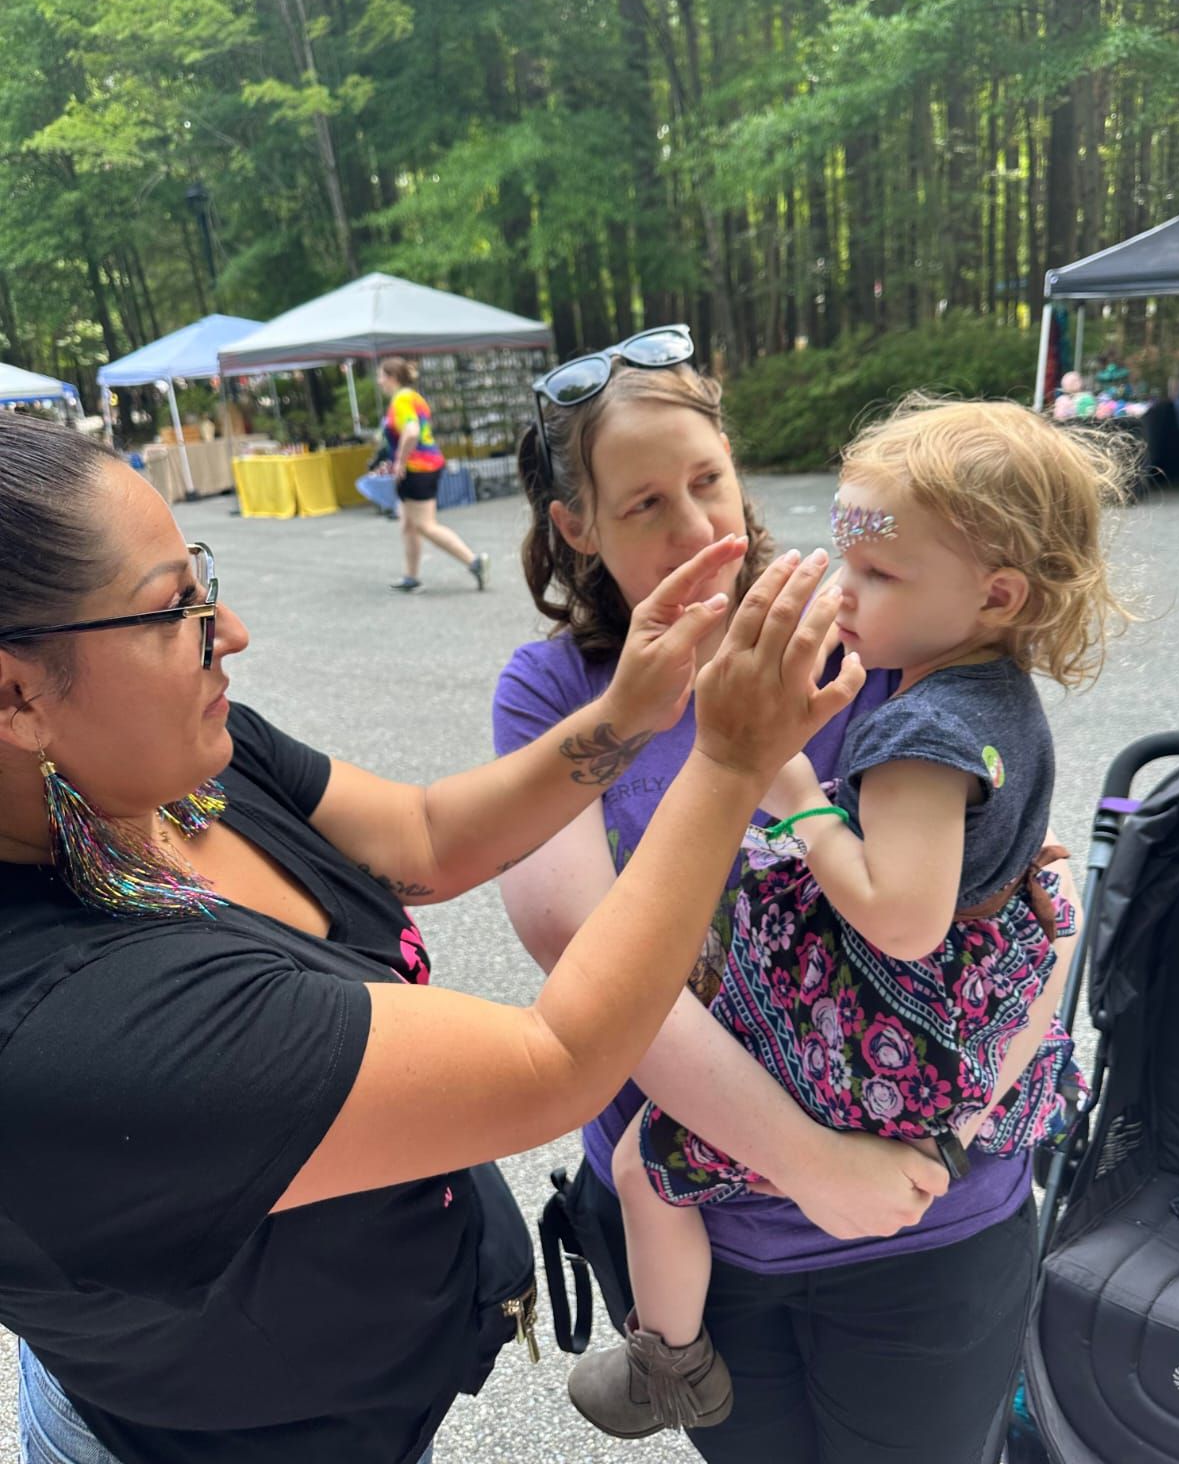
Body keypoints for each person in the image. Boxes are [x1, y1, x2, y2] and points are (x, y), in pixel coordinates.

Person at [0, 410, 861, 1464]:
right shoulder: (74, 1025)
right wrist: (729, 765)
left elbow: (424, 836)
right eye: (174, 607)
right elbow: (555, 1060)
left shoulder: (158, 767)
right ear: (16, 694)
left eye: (203, 577)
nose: (233, 632)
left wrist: (634, 709)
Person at [493, 338, 1088, 1464]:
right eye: (645, 503)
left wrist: (948, 1139)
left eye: (708, 479)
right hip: (715, 1235)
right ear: (577, 526)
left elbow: (1032, 892)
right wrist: (811, 1162)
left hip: (923, 1225)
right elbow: (584, 950)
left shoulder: (874, 628)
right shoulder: (561, 691)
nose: (693, 525)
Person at [379, 356, 489, 591]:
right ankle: (411, 577)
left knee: (425, 525)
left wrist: (400, 462)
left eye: (381, 376)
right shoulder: (415, 397)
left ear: (392, 377)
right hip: (427, 464)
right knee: (408, 523)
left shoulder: (401, 399)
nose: (379, 382)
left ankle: (474, 561)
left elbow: (411, 431)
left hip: (417, 469)